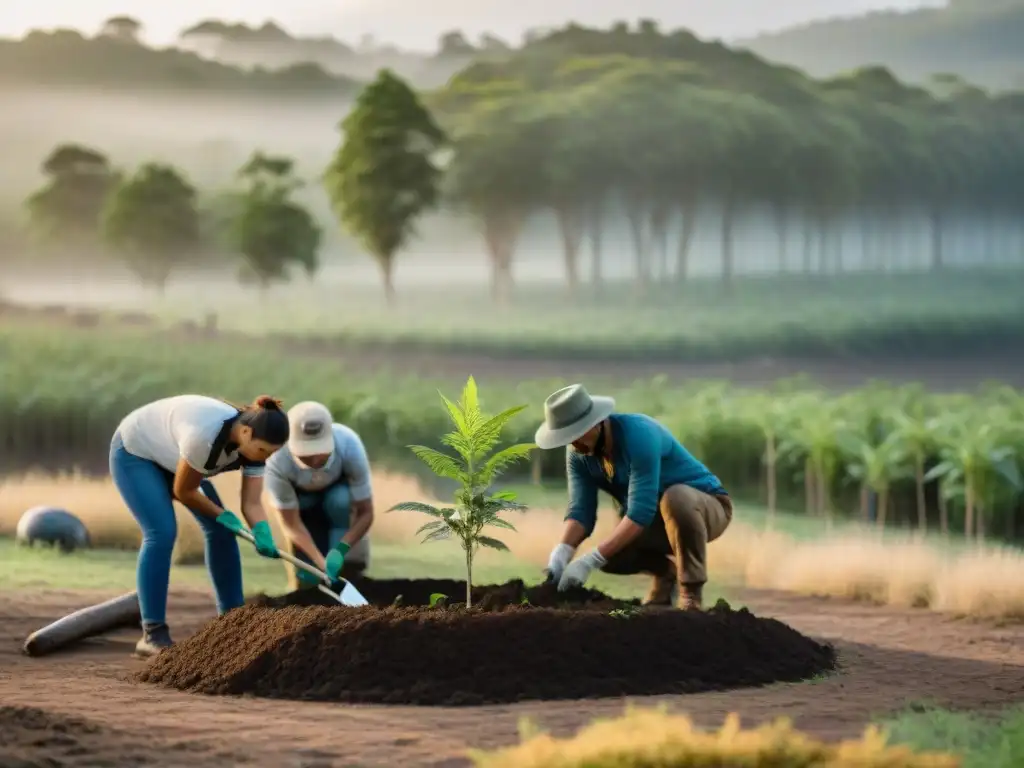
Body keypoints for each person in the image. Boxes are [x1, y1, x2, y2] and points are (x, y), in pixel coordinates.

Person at [109, 394, 290, 657]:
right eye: (263, 451)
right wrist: (223, 516)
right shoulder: (205, 437)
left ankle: (233, 625)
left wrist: (262, 531)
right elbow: (185, 491)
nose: (265, 458)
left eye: (272, 453)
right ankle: (152, 634)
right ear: (246, 432)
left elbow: (252, 503)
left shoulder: (254, 444)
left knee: (223, 533)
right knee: (161, 532)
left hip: (176, 457)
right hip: (136, 454)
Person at [535, 384, 733, 610]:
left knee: (675, 498)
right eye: (566, 437)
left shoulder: (639, 435)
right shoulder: (579, 454)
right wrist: (562, 552)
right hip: (654, 521)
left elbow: (640, 511)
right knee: (612, 556)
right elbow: (581, 511)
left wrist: (590, 560)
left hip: (706, 509)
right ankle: (665, 576)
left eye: (577, 433)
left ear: (597, 423)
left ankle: (691, 592)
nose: (573, 443)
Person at [263, 400, 375, 590]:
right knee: (307, 582)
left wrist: (341, 550)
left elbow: (366, 512)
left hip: (340, 507)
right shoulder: (276, 460)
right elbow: (290, 522)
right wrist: (318, 561)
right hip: (301, 509)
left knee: (339, 500)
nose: (315, 460)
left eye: (320, 452)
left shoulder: (349, 445)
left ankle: (348, 569)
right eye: (306, 453)